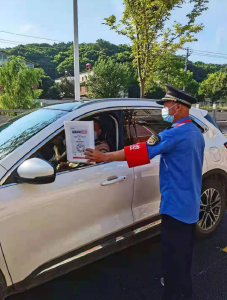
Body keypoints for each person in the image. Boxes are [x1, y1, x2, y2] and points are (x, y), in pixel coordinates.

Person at [84, 84, 205, 300]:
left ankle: (175, 293)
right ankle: (185, 289)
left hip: (175, 207)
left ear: (177, 107)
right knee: (184, 253)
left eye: (166, 105)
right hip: (190, 204)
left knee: (172, 256)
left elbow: (141, 152)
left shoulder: (173, 134)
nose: (164, 110)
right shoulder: (196, 132)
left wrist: (105, 157)